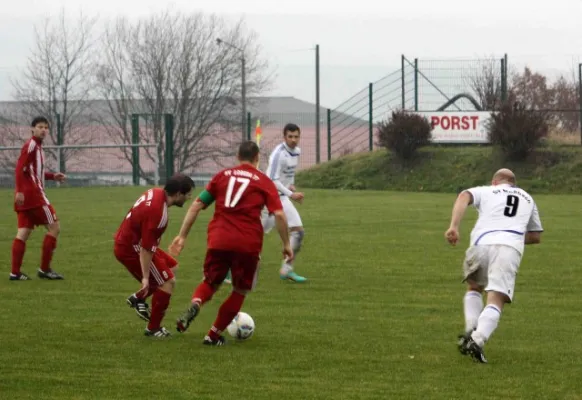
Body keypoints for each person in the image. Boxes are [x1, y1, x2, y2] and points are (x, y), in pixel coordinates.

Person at [169, 141, 293, 346]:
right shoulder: (264, 181)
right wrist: (286, 244)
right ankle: (212, 335)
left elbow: (197, 205)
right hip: (247, 243)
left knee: (211, 282)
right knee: (239, 290)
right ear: (257, 158)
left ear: (237, 156)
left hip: (218, 239)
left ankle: (196, 303)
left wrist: (182, 236)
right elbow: (279, 215)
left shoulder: (222, 176)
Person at [445, 168, 543, 363]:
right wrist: (510, 236)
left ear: (495, 182)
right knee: (496, 297)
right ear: (513, 183)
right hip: (508, 248)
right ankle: (478, 339)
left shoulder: (488, 191)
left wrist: (454, 226)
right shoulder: (528, 198)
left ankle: (471, 329)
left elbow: (464, 195)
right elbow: (535, 236)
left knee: (474, 287)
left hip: (481, 243)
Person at [113, 173, 195, 338]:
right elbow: (145, 250)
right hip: (131, 248)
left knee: (172, 266)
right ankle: (153, 328)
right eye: (187, 194)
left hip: (132, 240)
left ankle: (137, 299)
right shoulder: (159, 214)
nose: (189, 198)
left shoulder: (155, 192)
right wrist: (145, 278)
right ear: (178, 194)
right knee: (167, 282)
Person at [10, 116, 66, 281]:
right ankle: (45, 269)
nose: (43, 130)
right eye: (40, 127)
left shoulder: (38, 148)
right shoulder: (32, 145)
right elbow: (20, 168)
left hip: (26, 197)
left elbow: (33, 172)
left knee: (23, 232)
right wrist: (20, 190)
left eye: (45, 127)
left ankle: (15, 272)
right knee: (55, 227)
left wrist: (52, 176)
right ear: (32, 129)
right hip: (34, 196)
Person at [260, 123, 307, 283]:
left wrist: (290, 185)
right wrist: (291, 193)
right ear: (284, 137)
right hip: (268, 197)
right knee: (252, 237)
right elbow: (272, 180)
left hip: (282, 197)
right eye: (290, 137)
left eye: (296, 136)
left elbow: (289, 173)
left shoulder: (297, 152)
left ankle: (286, 270)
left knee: (298, 232)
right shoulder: (278, 154)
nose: (294, 140)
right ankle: (227, 269)